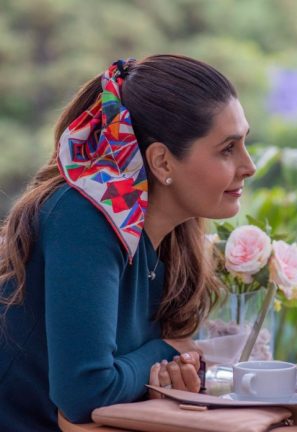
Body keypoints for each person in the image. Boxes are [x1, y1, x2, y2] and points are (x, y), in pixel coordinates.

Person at [0, 54, 256, 431]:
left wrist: (166, 373)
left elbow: (126, 379)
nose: (249, 166)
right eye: (227, 149)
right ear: (162, 163)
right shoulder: (83, 216)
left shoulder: (171, 242)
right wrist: (169, 350)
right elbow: (86, 393)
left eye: (245, 143)